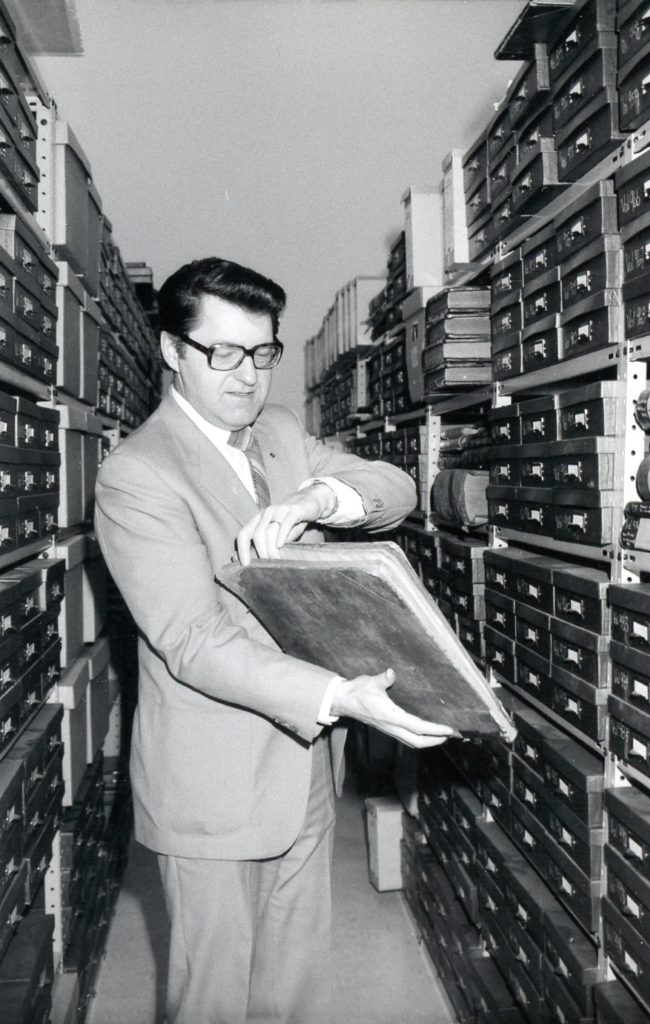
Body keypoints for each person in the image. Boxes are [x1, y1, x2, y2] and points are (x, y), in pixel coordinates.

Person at [94, 256, 454, 1024]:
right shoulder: (138, 475)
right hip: (213, 791)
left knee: (292, 997)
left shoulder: (282, 436)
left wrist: (324, 494)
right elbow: (191, 639)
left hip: (304, 773)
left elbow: (398, 487)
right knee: (214, 1002)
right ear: (171, 351)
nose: (247, 377)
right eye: (223, 353)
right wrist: (336, 695)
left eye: (262, 354)